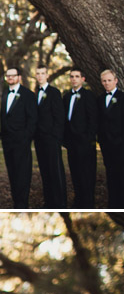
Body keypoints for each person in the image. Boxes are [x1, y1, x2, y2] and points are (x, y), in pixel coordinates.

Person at [0, 66, 37, 208]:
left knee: (23, 172)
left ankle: (22, 202)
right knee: (12, 172)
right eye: (8, 76)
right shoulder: (4, 94)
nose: (10, 78)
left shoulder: (27, 95)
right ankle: (16, 201)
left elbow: (32, 118)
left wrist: (26, 137)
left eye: (13, 75)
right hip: (7, 142)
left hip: (22, 141)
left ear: (19, 77)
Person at [62, 67, 97, 208]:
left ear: (83, 79)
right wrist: (65, 140)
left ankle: (88, 203)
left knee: (87, 174)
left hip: (85, 142)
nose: (74, 79)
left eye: (77, 76)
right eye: (72, 76)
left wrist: (88, 138)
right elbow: (64, 119)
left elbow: (93, 120)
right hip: (71, 143)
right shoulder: (66, 97)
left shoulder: (88, 96)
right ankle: (78, 201)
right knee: (75, 173)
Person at [34, 65, 67, 208]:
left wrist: (56, 136)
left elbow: (59, 116)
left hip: (51, 138)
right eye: (38, 73)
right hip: (39, 139)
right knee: (45, 171)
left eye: (43, 73)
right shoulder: (35, 94)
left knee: (56, 171)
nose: (40, 76)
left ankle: (60, 202)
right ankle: (49, 202)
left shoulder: (54, 92)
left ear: (47, 75)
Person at [97, 69, 124, 208]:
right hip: (106, 145)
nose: (107, 83)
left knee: (121, 175)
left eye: (109, 80)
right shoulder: (100, 99)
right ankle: (113, 203)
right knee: (111, 175)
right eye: (104, 81)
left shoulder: (122, 97)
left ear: (116, 81)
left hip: (120, 145)